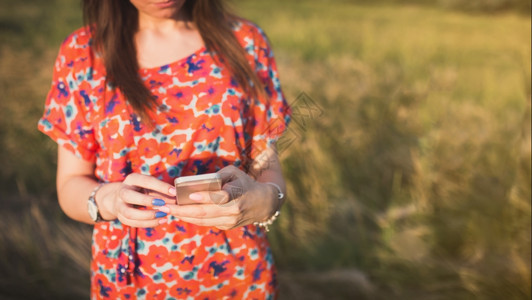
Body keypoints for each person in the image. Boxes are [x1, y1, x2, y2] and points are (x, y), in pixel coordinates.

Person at [38, 0, 291, 298]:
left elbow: (266, 167)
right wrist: (110, 199)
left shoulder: (246, 41)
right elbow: (70, 185)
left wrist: (265, 200)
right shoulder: (82, 54)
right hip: (132, 284)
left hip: (241, 276)